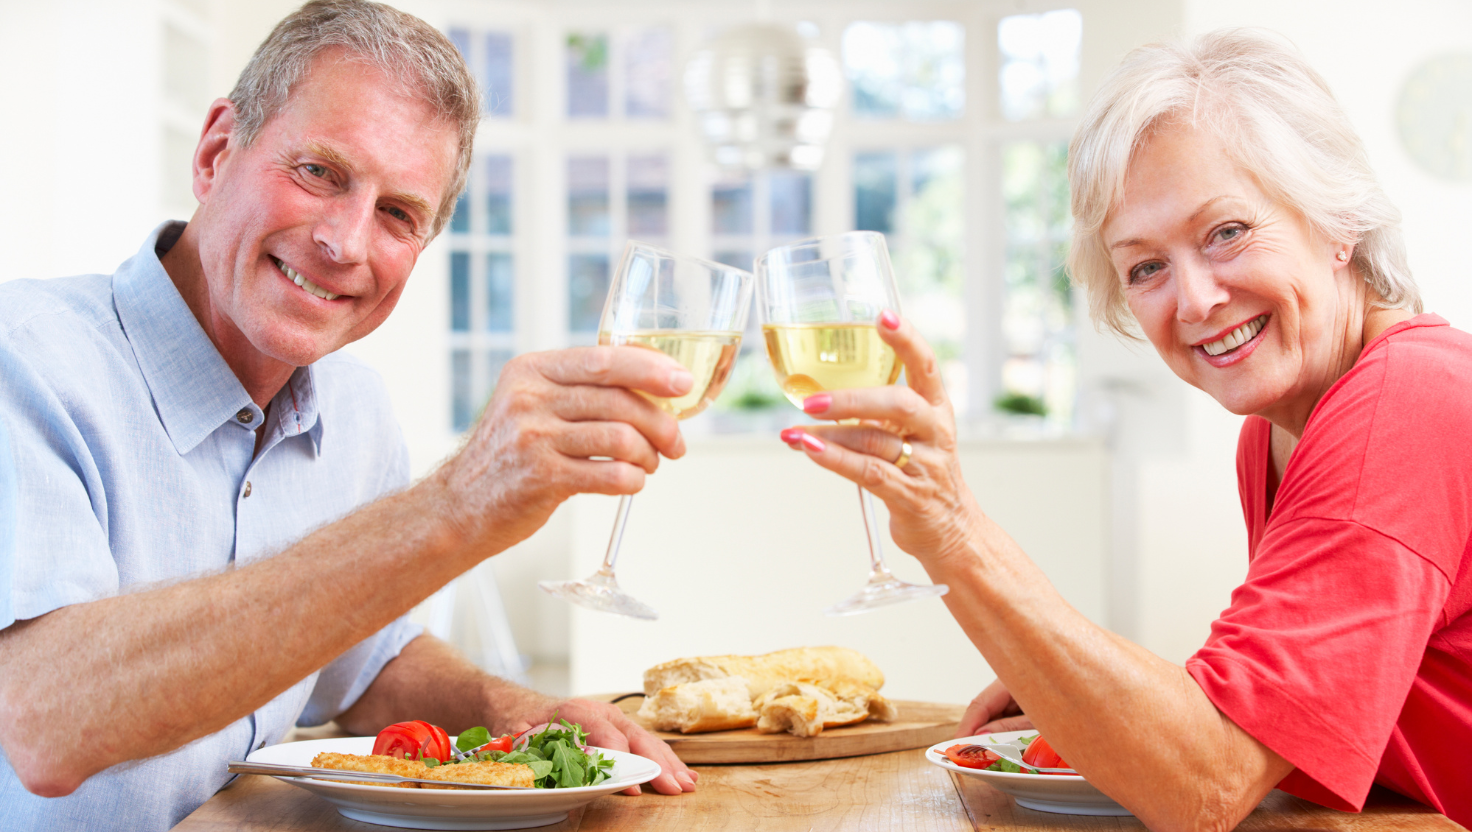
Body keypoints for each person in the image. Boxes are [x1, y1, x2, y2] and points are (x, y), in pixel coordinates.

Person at [0, 2, 696, 829]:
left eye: (398, 214)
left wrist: (511, 712)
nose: (346, 241)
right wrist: (456, 506)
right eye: (320, 172)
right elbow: (44, 726)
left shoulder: (356, 410)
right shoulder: (27, 361)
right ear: (218, 149)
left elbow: (366, 668)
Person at [777, 29, 1471, 830]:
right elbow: (1292, 707)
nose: (1196, 299)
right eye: (1146, 267)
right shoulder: (1279, 429)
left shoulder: (1404, 403)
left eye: (1227, 232)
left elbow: (1209, 784)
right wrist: (1077, 688)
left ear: (1336, 220)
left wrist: (951, 531)